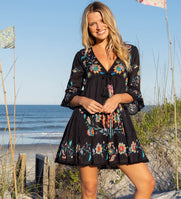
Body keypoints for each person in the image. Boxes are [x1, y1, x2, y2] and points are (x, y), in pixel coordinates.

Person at [55, 1, 155, 198]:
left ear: (110, 21)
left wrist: (118, 97)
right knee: (89, 189)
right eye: (93, 23)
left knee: (146, 183)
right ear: (87, 27)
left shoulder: (129, 52)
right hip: (87, 126)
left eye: (102, 21)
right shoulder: (83, 57)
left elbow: (135, 92)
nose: (99, 27)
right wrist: (83, 101)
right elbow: (70, 95)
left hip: (118, 128)